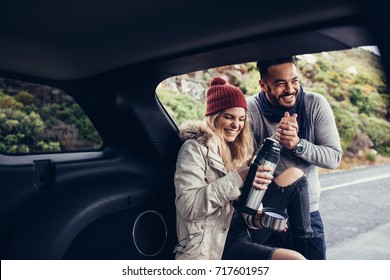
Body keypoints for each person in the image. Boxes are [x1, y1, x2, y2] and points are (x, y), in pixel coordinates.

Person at [173, 77, 310, 260]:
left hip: (242, 232)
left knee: (296, 175)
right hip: (215, 245)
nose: (236, 125)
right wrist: (239, 177)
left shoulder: (239, 151)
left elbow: (241, 207)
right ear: (213, 117)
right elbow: (188, 207)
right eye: (228, 117)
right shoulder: (194, 149)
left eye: (241, 119)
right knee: (295, 261)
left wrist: (257, 218)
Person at [247, 56, 343, 259]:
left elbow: (333, 157)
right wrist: (275, 140)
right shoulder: (250, 110)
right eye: (281, 83)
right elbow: (244, 165)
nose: (290, 89)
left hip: (308, 213)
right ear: (263, 85)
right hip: (265, 215)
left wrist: (298, 145)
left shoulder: (315, 104)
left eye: (294, 80)